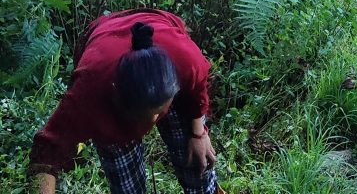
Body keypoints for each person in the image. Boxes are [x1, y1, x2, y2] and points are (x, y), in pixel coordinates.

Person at [28, 10, 218, 194]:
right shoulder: (90, 92)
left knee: (197, 167)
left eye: (159, 112)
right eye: (145, 115)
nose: (153, 120)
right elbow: (47, 153)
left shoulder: (185, 61)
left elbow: (197, 87)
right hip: (103, 47)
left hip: (163, 44)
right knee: (127, 186)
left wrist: (198, 133)